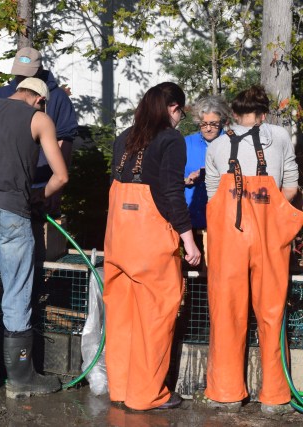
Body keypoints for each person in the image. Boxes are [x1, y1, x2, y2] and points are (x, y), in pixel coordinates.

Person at [197, 85, 302, 415]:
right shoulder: (280, 135)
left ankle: (225, 393)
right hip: (270, 238)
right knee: (272, 312)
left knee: (226, 311)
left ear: (233, 114)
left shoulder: (216, 146)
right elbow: (291, 186)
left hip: (229, 238)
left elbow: (213, 198)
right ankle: (275, 396)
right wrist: (269, 216)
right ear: (264, 113)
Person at [0, 77, 68, 398]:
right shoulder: (39, 118)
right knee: (17, 290)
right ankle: (21, 377)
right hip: (10, 211)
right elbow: (61, 175)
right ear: (39, 99)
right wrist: (40, 197)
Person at [103, 82, 201, 410]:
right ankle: (146, 395)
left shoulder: (124, 137)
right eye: (182, 112)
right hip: (149, 243)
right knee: (156, 315)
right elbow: (171, 193)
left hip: (118, 240)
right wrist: (189, 240)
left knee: (122, 316)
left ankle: (120, 389)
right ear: (173, 108)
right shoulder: (171, 139)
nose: (181, 119)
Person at [0, 47, 77, 217]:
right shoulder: (1, 94)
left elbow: (64, 142)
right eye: (19, 73)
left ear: (39, 70)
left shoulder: (57, 97)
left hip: (42, 183)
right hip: (5, 186)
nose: (22, 78)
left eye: (28, 74)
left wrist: (55, 189)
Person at [183, 96, 233, 268]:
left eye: (214, 123)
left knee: (220, 267)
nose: (209, 128)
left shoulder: (231, 142)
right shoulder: (186, 143)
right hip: (191, 216)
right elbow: (170, 178)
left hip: (223, 217)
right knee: (193, 268)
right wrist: (187, 179)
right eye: (204, 124)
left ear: (223, 122)